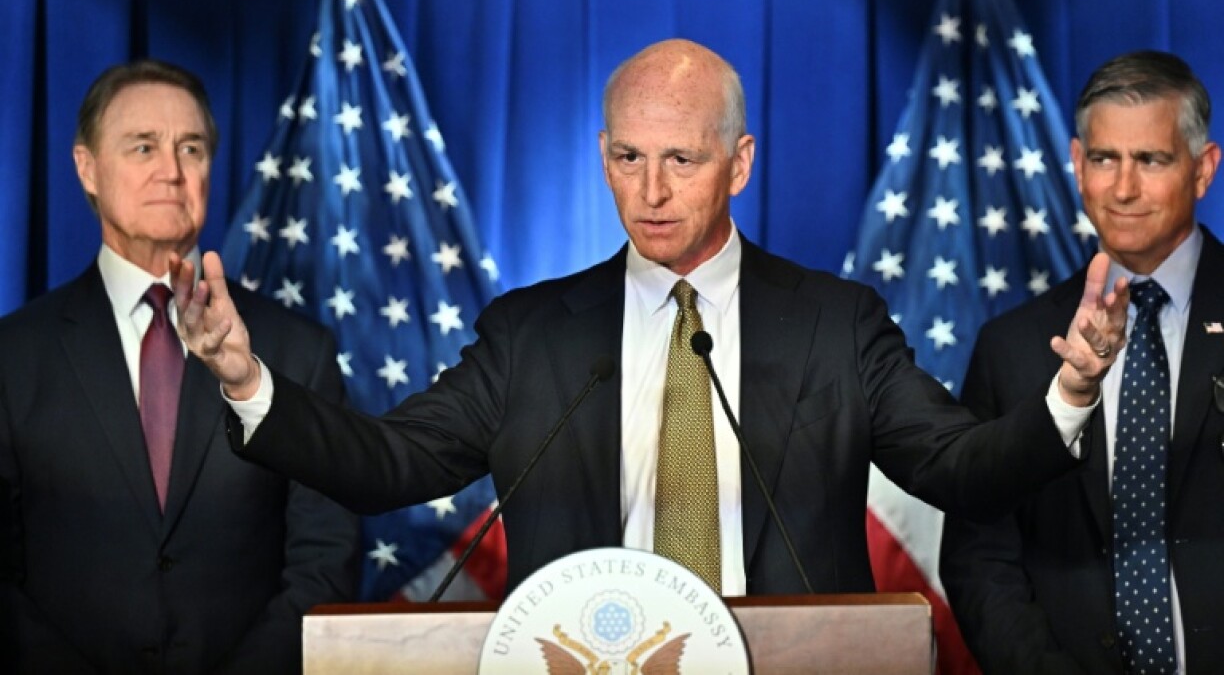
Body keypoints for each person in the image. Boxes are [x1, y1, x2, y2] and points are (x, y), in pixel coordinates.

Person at [176, 38, 1125, 598]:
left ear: (740, 164)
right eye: (628, 158)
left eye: (681, 159)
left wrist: (1070, 396)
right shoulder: (533, 333)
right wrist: (247, 383)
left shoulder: (836, 323)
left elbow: (957, 468)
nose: (651, 190)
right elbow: (387, 467)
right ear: (602, 154)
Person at [0, 60, 359, 674]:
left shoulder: (299, 351)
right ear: (87, 168)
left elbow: (325, 559)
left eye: (189, 148)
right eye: (143, 146)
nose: (170, 171)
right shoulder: (13, 356)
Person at [939, 50, 1224, 674]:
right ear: (1076, 164)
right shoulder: (1011, 347)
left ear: (1203, 170)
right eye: (1104, 159)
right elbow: (980, 559)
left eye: (1151, 160)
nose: (1123, 188)